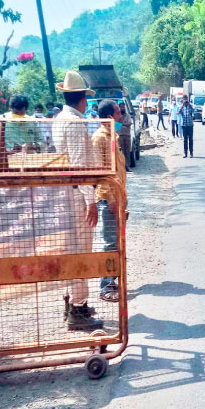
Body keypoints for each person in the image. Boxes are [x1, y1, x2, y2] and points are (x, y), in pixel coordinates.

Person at [52, 70, 103, 330]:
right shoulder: (74, 123)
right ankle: (78, 308)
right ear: (83, 99)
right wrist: (90, 201)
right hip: (76, 195)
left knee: (70, 248)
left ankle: (71, 299)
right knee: (81, 250)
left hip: (66, 193)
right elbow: (79, 165)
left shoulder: (59, 120)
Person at [92, 100, 127, 302]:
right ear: (109, 117)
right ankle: (105, 286)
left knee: (116, 242)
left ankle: (113, 279)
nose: (121, 116)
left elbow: (117, 171)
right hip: (108, 200)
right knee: (109, 243)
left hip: (117, 198)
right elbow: (101, 174)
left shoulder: (113, 137)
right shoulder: (99, 139)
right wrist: (111, 199)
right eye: (118, 113)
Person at [118, 101, 133, 171]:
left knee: (127, 151)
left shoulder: (128, 116)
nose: (122, 108)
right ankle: (122, 166)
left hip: (127, 135)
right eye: (121, 107)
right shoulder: (118, 116)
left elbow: (129, 123)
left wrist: (122, 124)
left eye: (123, 107)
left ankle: (127, 166)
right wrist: (124, 124)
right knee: (121, 151)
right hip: (120, 135)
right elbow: (116, 124)